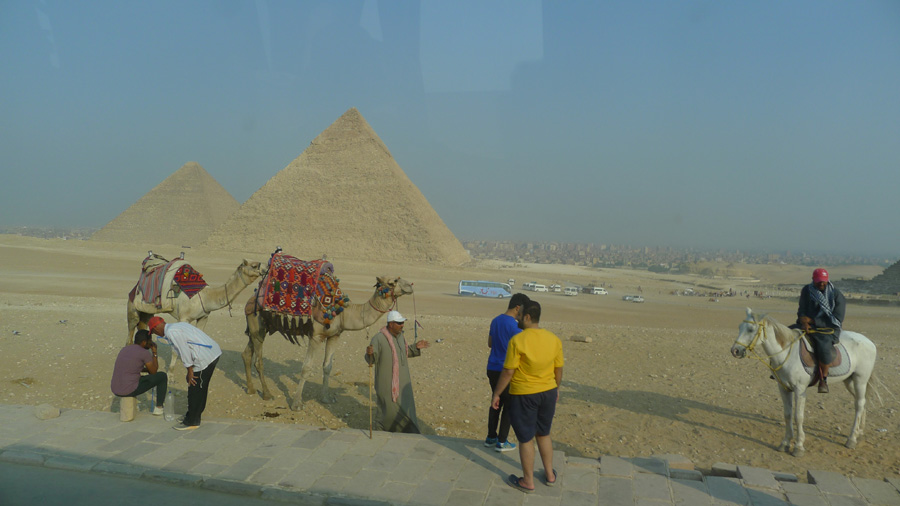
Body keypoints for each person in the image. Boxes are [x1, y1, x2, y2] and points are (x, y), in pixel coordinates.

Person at [492, 300, 564, 494]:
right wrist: (556, 388)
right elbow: (558, 369)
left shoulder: (518, 340)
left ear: (527, 317)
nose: (517, 317)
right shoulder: (554, 339)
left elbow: (508, 371)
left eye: (520, 315)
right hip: (548, 392)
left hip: (524, 394)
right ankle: (550, 475)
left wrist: (497, 393)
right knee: (544, 433)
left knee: (525, 438)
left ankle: (528, 481)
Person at [147, 316, 222, 430]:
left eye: (153, 331)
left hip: (205, 357)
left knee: (195, 387)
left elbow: (184, 350)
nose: (156, 334)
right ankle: (193, 415)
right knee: (200, 387)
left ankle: (192, 421)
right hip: (212, 352)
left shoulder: (172, 332)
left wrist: (190, 371)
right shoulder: (176, 326)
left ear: (157, 327)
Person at [365, 310, 429, 433]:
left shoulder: (400, 337)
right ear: (391, 324)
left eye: (402, 323)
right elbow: (372, 360)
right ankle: (383, 429)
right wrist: (370, 354)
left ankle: (410, 430)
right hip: (387, 383)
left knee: (406, 406)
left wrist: (415, 347)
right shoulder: (378, 339)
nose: (402, 325)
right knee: (389, 408)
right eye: (399, 323)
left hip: (403, 381)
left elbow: (403, 354)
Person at [484, 293, 530, 452]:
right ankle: (502, 441)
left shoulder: (495, 320)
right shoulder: (516, 327)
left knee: (495, 402)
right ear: (518, 307)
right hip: (507, 370)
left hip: (492, 368)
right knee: (509, 405)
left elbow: (490, 343)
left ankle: (491, 437)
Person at [796, 268, 846, 393]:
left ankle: (823, 380)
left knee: (823, 346)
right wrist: (803, 321)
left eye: (823, 281)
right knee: (786, 334)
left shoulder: (836, 295)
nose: (821, 284)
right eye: (818, 281)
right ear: (813, 280)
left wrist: (813, 321)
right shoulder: (807, 290)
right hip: (807, 324)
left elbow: (837, 319)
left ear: (827, 280)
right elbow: (802, 308)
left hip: (828, 328)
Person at [110, 329, 167, 414]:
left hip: (115, 388)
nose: (150, 343)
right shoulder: (144, 352)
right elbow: (154, 372)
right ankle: (159, 407)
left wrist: (145, 369)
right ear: (144, 342)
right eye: (149, 341)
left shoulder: (125, 349)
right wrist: (154, 352)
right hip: (128, 389)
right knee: (162, 376)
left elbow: (131, 367)